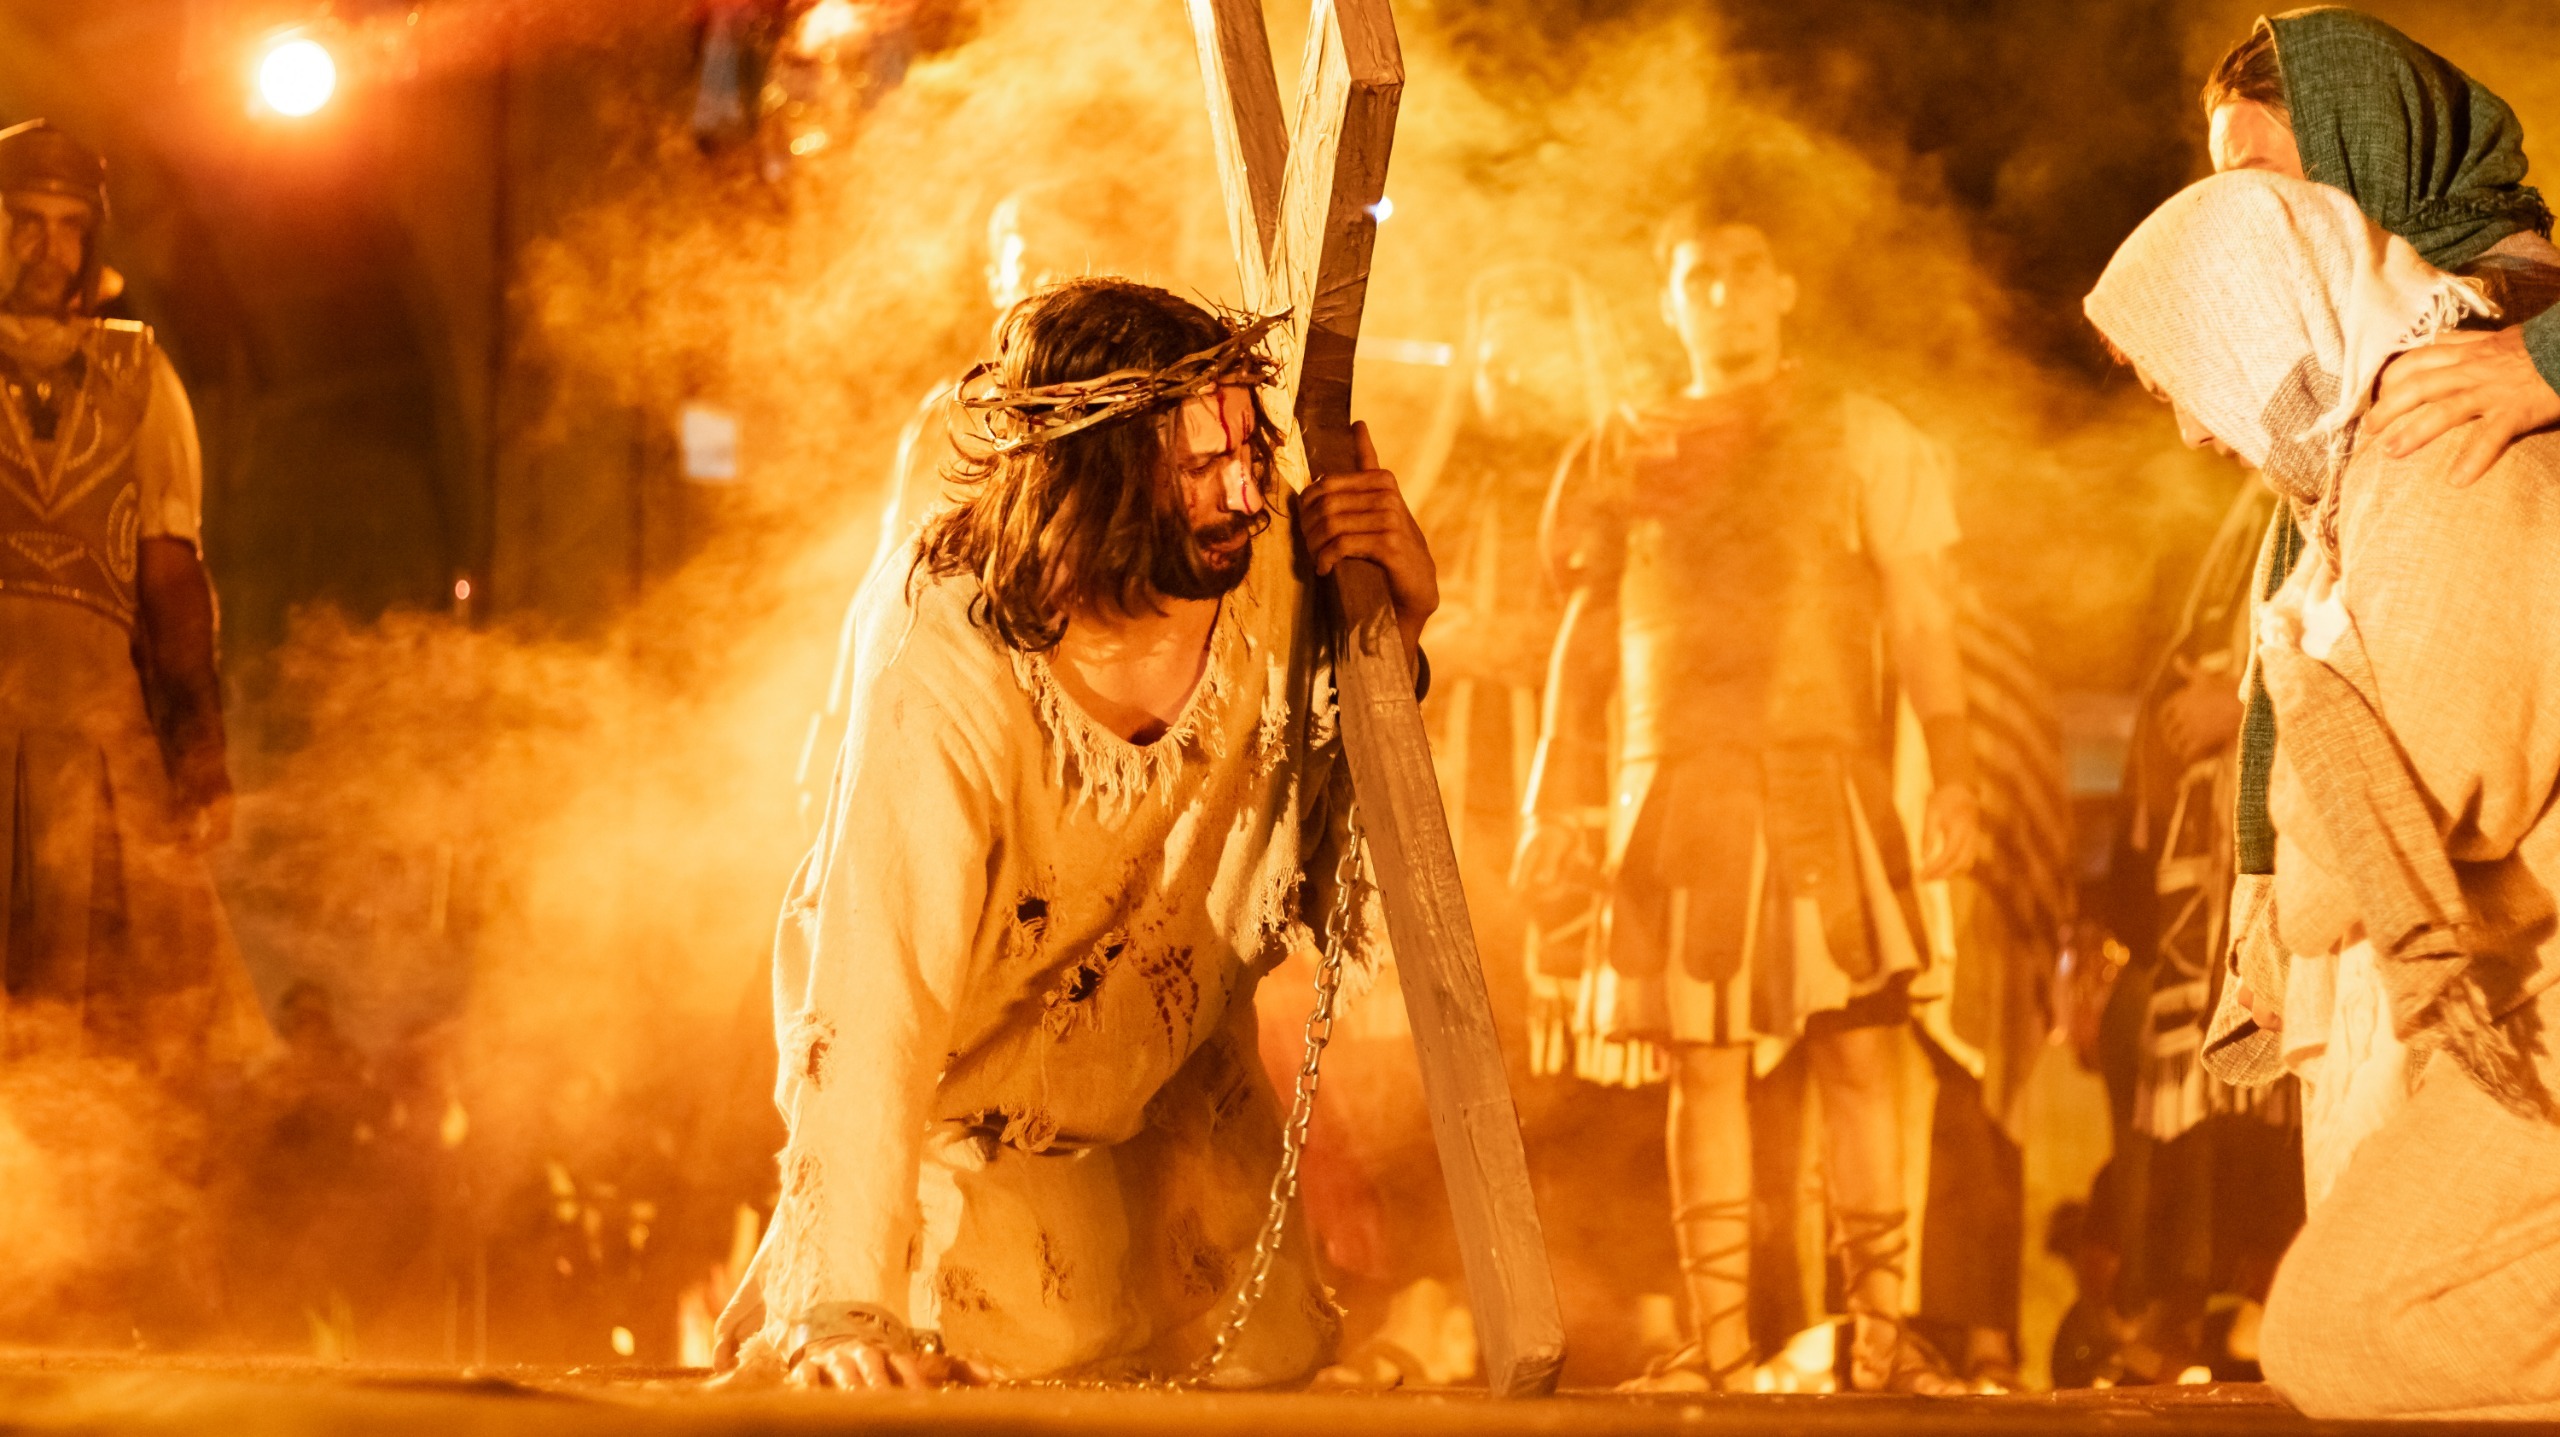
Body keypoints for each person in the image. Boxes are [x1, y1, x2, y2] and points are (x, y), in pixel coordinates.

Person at [712, 278, 1436, 1388]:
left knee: (1256, 1377)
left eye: (1253, 450)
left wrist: (1395, 625)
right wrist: (845, 1304)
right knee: (936, 1382)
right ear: (1096, 480)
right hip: (966, 1151)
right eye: (1201, 466)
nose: (1248, 492)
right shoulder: (946, 643)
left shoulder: (1276, 573)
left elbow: (1349, 854)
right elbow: (878, 977)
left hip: (1183, 1134)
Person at [2089, 166, 2560, 1420]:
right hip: (2521, 998)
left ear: (2258, 315)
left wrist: (2300, 726)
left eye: (2180, 379)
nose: (2194, 433)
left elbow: (2444, 785)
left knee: (2347, 1335)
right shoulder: (2368, 485)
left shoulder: (2438, 459)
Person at [1516, 212, 1979, 1393]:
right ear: (1669, 300)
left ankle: (1876, 1337)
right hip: (1676, 783)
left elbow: (1920, 616)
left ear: (1780, 289)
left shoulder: (1862, 435)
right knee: (1704, 1070)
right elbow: (1587, 631)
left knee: (1862, 1055)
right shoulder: (1619, 447)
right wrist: (1551, 791)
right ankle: (1719, 1351)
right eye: (1697, 277)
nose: (1720, 294)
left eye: (1740, 272)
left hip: (1825, 777)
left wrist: (1956, 770)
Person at [0, 119, 246, 1077]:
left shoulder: (140, 378)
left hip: (97, 742)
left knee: (107, 1035)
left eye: (69, 226)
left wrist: (200, 751)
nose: (48, 249)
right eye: (25, 221)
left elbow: (170, 581)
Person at [2202, 9, 2560, 487]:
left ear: (2364, 148)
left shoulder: (2493, 314)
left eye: (2259, 181)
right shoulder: (2378, 322)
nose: (2244, 219)